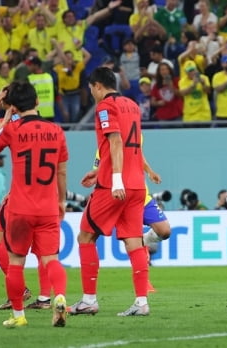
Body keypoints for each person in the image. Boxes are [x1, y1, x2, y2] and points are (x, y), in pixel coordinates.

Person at [0, 81, 68, 328]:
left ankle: (19, 316)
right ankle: (60, 297)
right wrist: (61, 200)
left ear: (15, 106)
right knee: (51, 259)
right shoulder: (57, 131)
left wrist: (7, 116)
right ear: (37, 102)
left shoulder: (13, 129)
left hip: (19, 208)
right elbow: (62, 172)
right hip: (48, 207)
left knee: (15, 263)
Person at [69, 67, 151, 317]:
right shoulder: (132, 105)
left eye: (90, 88)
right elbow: (128, 145)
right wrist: (100, 169)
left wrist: (115, 179)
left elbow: (115, 141)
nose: (91, 92)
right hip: (137, 184)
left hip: (114, 185)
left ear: (96, 85)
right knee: (134, 242)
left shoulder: (105, 106)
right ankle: (141, 303)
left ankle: (89, 300)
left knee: (85, 237)